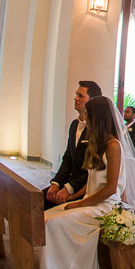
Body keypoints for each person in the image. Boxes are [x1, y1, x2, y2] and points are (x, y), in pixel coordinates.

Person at [40, 95, 124, 269]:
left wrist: (79, 205)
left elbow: (111, 188)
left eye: (89, 115)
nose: (86, 120)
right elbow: (91, 180)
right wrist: (72, 197)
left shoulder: (113, 146)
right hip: (91, 201)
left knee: (55, 223)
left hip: (105, 206)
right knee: (47, 216)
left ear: (99, 118)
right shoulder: (98, 142)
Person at [45, 80, 101, 210]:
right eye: (76, 94)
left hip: (86, 188)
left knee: (52, 213)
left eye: (81, 96)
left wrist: (69, 189)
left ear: (92, 101)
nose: (75, 98)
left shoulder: (98, 130)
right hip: (70, 181)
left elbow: (95, 171)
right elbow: (68, 159)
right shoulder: (74, 125)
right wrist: (56, 183)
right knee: (39, 201)